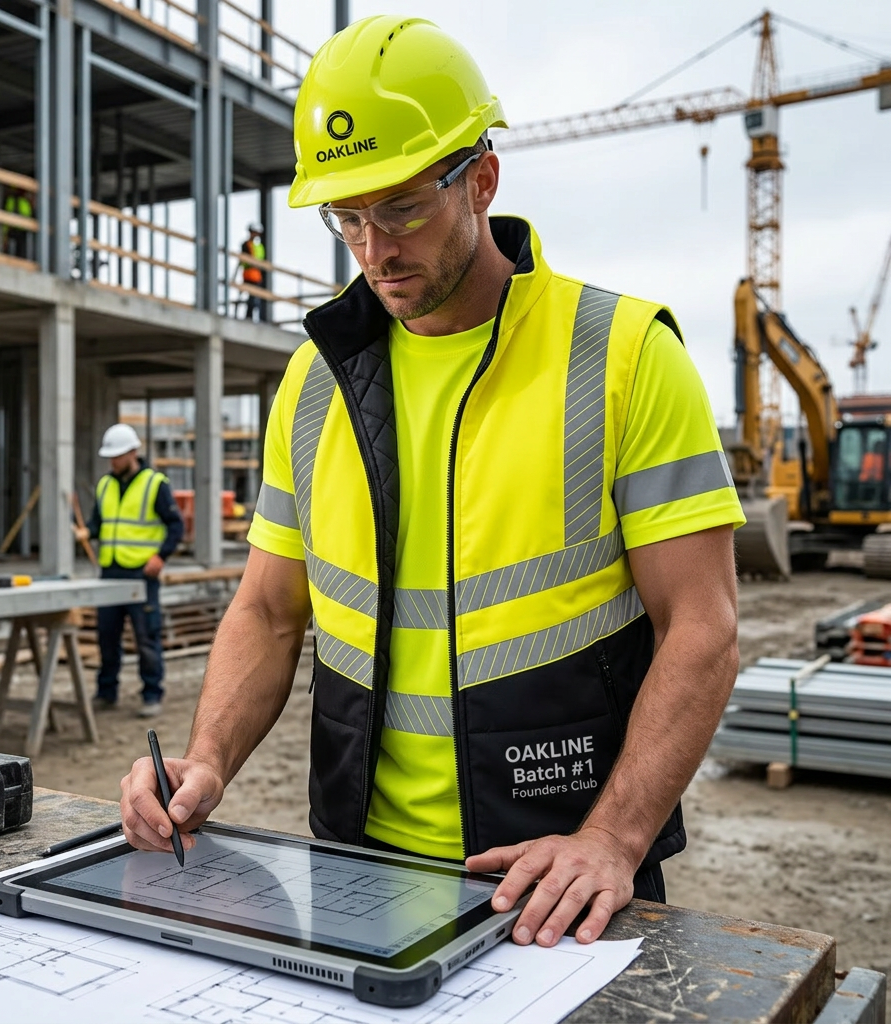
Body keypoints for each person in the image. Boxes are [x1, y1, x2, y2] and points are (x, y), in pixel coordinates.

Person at [120, 16, 745, 949]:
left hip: (555, 877)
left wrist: (613, 839)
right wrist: (206, 758)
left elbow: (702, 626)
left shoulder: (620, 356)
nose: (375, 249)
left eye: (403, 206)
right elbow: (268, 609)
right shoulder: (315, 381)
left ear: (481, 178)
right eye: (346, 219)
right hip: (352, 863)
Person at [75, 424, 184, 718]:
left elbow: (176, 526)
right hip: (110, 572)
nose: (112, 461)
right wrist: (88, 532)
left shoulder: (154, 484)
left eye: (117, 455)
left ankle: (151, 693)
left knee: (146, 636)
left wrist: (160, 557)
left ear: (133, 452)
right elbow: (101, 522)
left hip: (141, 575)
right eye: (110, 456)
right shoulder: (104, 485)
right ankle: (106, 692)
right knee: (106, 636)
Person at [239, 224, 266, 322]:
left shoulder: (259, 247)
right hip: (248, 275)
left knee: (254, 299)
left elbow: (260, 260)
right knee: (249, 298)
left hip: (256, 276)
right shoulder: (246, 244)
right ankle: (248, 317)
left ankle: (252, 317)